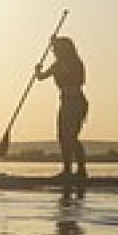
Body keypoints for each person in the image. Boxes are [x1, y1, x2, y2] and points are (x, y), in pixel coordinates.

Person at [34, 35, 88, 180]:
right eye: (54, 49)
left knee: (71, 137)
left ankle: (81, 171)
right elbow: (41, 77)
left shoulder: (75, 63)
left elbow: (78, 79)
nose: (54, 51)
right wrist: (37, 70)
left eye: (57, 49)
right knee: (63, 137)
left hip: (76, 102)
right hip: (65, 102)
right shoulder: (57, 64)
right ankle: (67, 170)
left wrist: (54, 43)